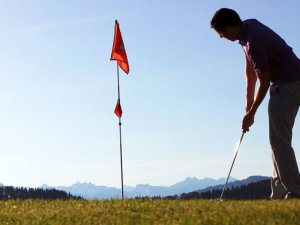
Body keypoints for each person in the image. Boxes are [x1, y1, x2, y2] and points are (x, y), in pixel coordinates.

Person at [210, 8, 300, 199]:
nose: (221, 37)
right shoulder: (248, 29)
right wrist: (248, 99)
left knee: (279, 141)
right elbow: (250, 69)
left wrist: (252, 113)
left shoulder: (254, 42)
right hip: (290, 81)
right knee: (277, 140)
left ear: (228, 27)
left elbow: (264, 81)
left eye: (221, 32)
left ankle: (295, 190)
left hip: (288, 85)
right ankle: (280, 191)